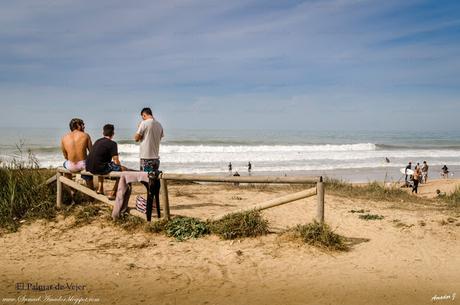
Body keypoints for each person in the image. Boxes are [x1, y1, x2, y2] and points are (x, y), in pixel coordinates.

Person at [86, 124, 125, 199]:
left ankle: (100, 188)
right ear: (113, 133)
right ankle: (113, 193)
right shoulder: (113, 143)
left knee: (102, 162)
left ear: (103, 133)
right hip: (99, 168)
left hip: (89, 167)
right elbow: (116, 160)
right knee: (123, 170)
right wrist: (119, 167)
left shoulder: (98, 141)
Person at [61, 118, 93, 193]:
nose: (84, 127)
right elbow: (91, 153)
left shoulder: (64, 138)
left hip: (71, 165)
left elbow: (65, 156)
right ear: (78, 125)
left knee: (64, 165)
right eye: (83, 124)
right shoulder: (86, 135)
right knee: (87, 168)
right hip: (83, 165)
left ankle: (72, 189)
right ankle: (91, 197)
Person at [134, 107, 164, 172]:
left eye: (142, 117)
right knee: (154, 179)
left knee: (144, 179)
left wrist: (139, 127)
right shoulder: (159, 125)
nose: (143, 118)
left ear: (144, 114)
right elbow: (160, 138)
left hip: (146, 157)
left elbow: (136, 138)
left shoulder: (144, 123)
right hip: (156, 158)